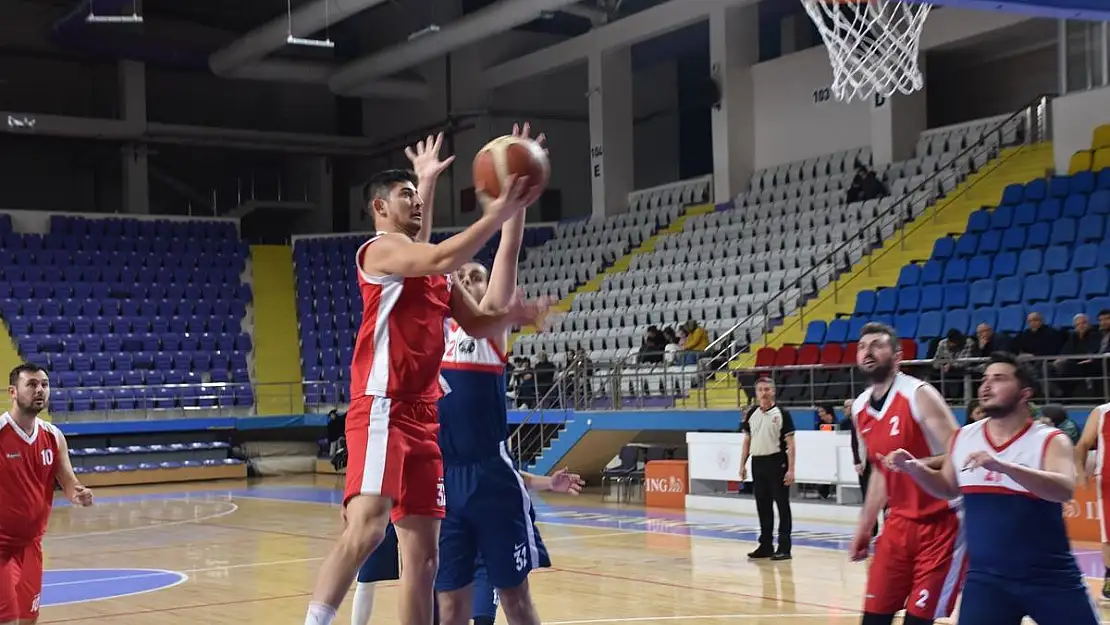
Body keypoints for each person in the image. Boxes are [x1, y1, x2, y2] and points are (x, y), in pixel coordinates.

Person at [303, 137, 551, 625]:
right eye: (406, 195)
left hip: (424, 420)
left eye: (418, 197)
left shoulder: (436, 277)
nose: (415, 202)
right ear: (379, 206)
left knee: (424, 557)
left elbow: (478, 322)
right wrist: (497, 213)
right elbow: (435, 256)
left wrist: (511, 316)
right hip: (382, 406)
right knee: (368, 529)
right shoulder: (378, 252)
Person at [885, 352, 1100, 625]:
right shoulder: (964, 437)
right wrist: (914, 468)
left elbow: (1064, 490)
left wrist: (1007, 467)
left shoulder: (1050, 440)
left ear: (1025, 393)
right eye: (984, 378)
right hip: (987, 581)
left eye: (998, 379)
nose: (986, 385)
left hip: (1051, 578)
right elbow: (947, 488)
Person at [848, 323, 965, 625]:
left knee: (917, 620)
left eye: (877, 345)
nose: (868, 351)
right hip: (898, 522)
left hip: (943, 522)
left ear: (898, 356)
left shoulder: (918, 394)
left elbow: (960, 451)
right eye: (863, 346)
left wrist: (916, 464)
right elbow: (880, 471)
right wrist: (865, 524)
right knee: (873, 618)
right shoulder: (860, 407)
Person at [1, 363, 94, 624]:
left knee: (28, 619)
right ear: (13, 391)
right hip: (1, 549)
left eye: (44, 384)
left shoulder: (54, 436)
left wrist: (78, 493)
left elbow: (68, 481)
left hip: (32, 546)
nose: (39, 390)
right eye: (31, 384)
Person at [739, 378, 795, 560]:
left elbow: (791, 445)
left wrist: (791, 469)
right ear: (756, 393)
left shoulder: (782, 414)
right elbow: (747, 440)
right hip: (758, 462)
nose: (763, 392)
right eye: (760, 389)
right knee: (763, 506)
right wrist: (742, 464)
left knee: (782, 505)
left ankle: (785, 548)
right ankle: (765, 545)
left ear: (773, 392)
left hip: (777, 462)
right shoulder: (752, 413)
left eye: (767, 389)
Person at [1073, 401, 1110, 599]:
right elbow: (1083, 445)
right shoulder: (1102, 412)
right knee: (1109, 533)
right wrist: (1080, 472)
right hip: (1108, 480)